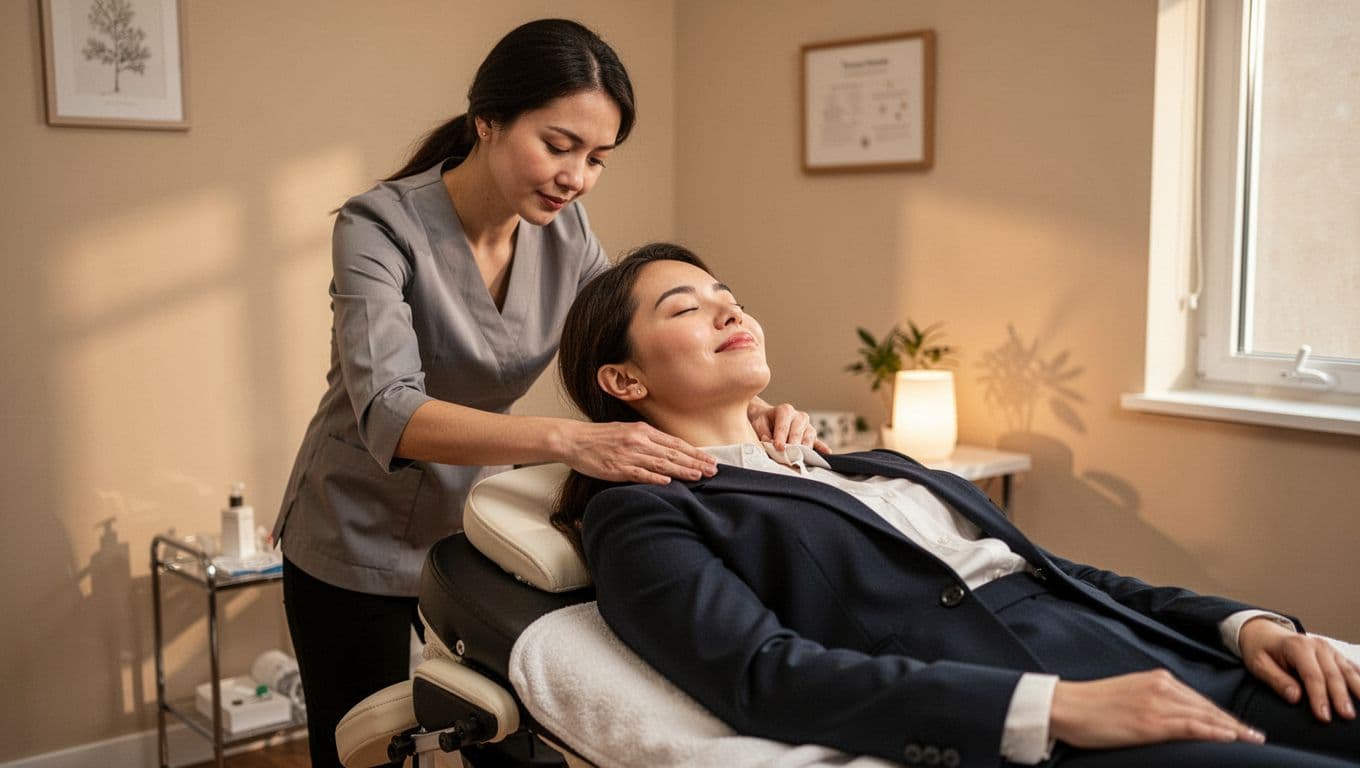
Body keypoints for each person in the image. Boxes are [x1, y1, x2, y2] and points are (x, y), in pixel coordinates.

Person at [549, 242, 1360, 768]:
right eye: (685, 308)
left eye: (727, 293)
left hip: (1175, 658)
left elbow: (1059, 572)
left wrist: (1245, 625)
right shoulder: (646, 509)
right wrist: (1054, 707)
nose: (730, 310)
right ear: (624, 382)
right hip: (1050, 706)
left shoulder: (855, 458)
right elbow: (764, 675)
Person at [274, 23, 821, 767]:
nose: (576, 177)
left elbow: (631, 352)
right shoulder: (379, 227)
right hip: (351, 523)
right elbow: (389, 409)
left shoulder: (569, 238)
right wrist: (569, 439)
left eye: (597, 159)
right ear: (488, 120)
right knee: (356, 755)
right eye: (558, 145)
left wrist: (743, 409)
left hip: (471, 524)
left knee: (511, 743)